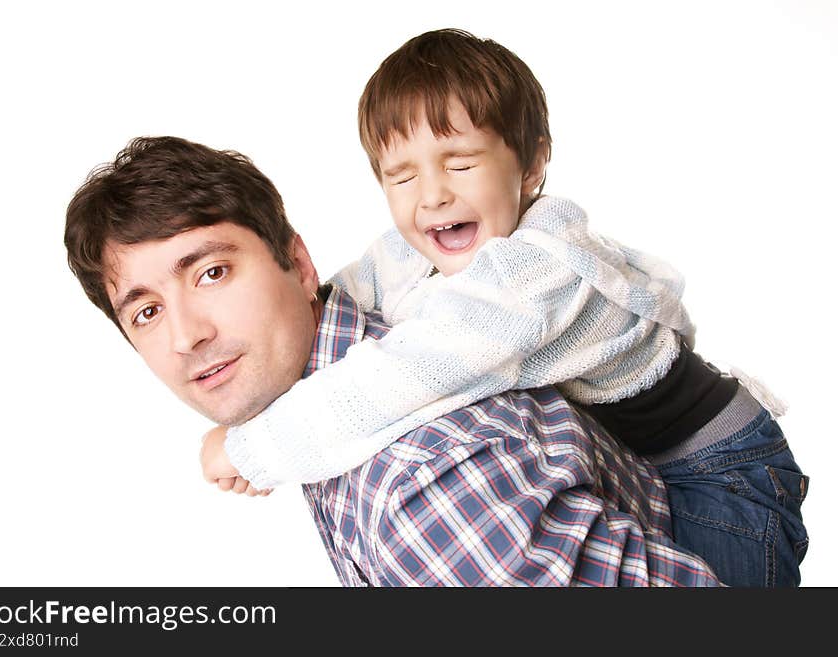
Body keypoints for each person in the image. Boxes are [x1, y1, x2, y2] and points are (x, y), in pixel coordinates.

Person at [201, 29, 809, 586]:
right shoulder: (415, 252)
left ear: (532, 165)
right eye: (401, 176)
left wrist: (255, 446)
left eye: (460, 163)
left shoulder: (535, 271)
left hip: (720, 475)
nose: (433, 195)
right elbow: (346, 298)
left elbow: (409, 371)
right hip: (643, 465)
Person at [64, 135, 722, 586]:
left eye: (210, 271)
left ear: (297, 264)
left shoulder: (418, 479)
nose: (186, 335)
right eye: (145, 310)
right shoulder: (333, 403)